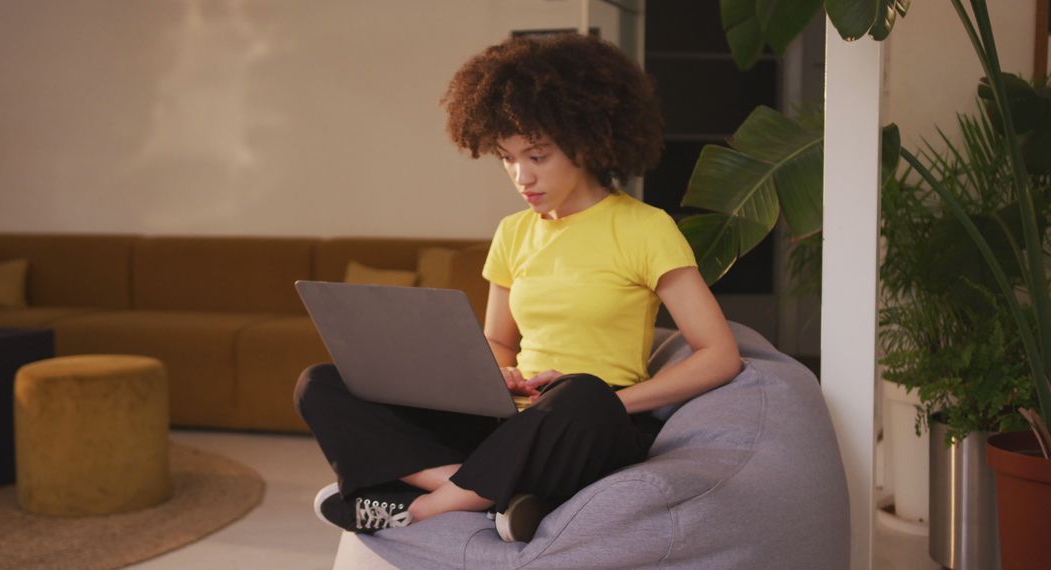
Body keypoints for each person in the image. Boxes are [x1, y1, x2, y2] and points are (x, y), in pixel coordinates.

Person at [294, 32, 742, 543]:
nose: (520, 176)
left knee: (582, 391)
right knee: (321, 381)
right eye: (507, 158)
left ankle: (422, 506)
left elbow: (720, 355)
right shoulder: (514, 232)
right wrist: (500, 375)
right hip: (510, 420)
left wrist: (617, 400)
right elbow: (499, 340)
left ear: (588, 142)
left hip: (591, 420)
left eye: (537, 155)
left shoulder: (645, 227)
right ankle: (481, 491)